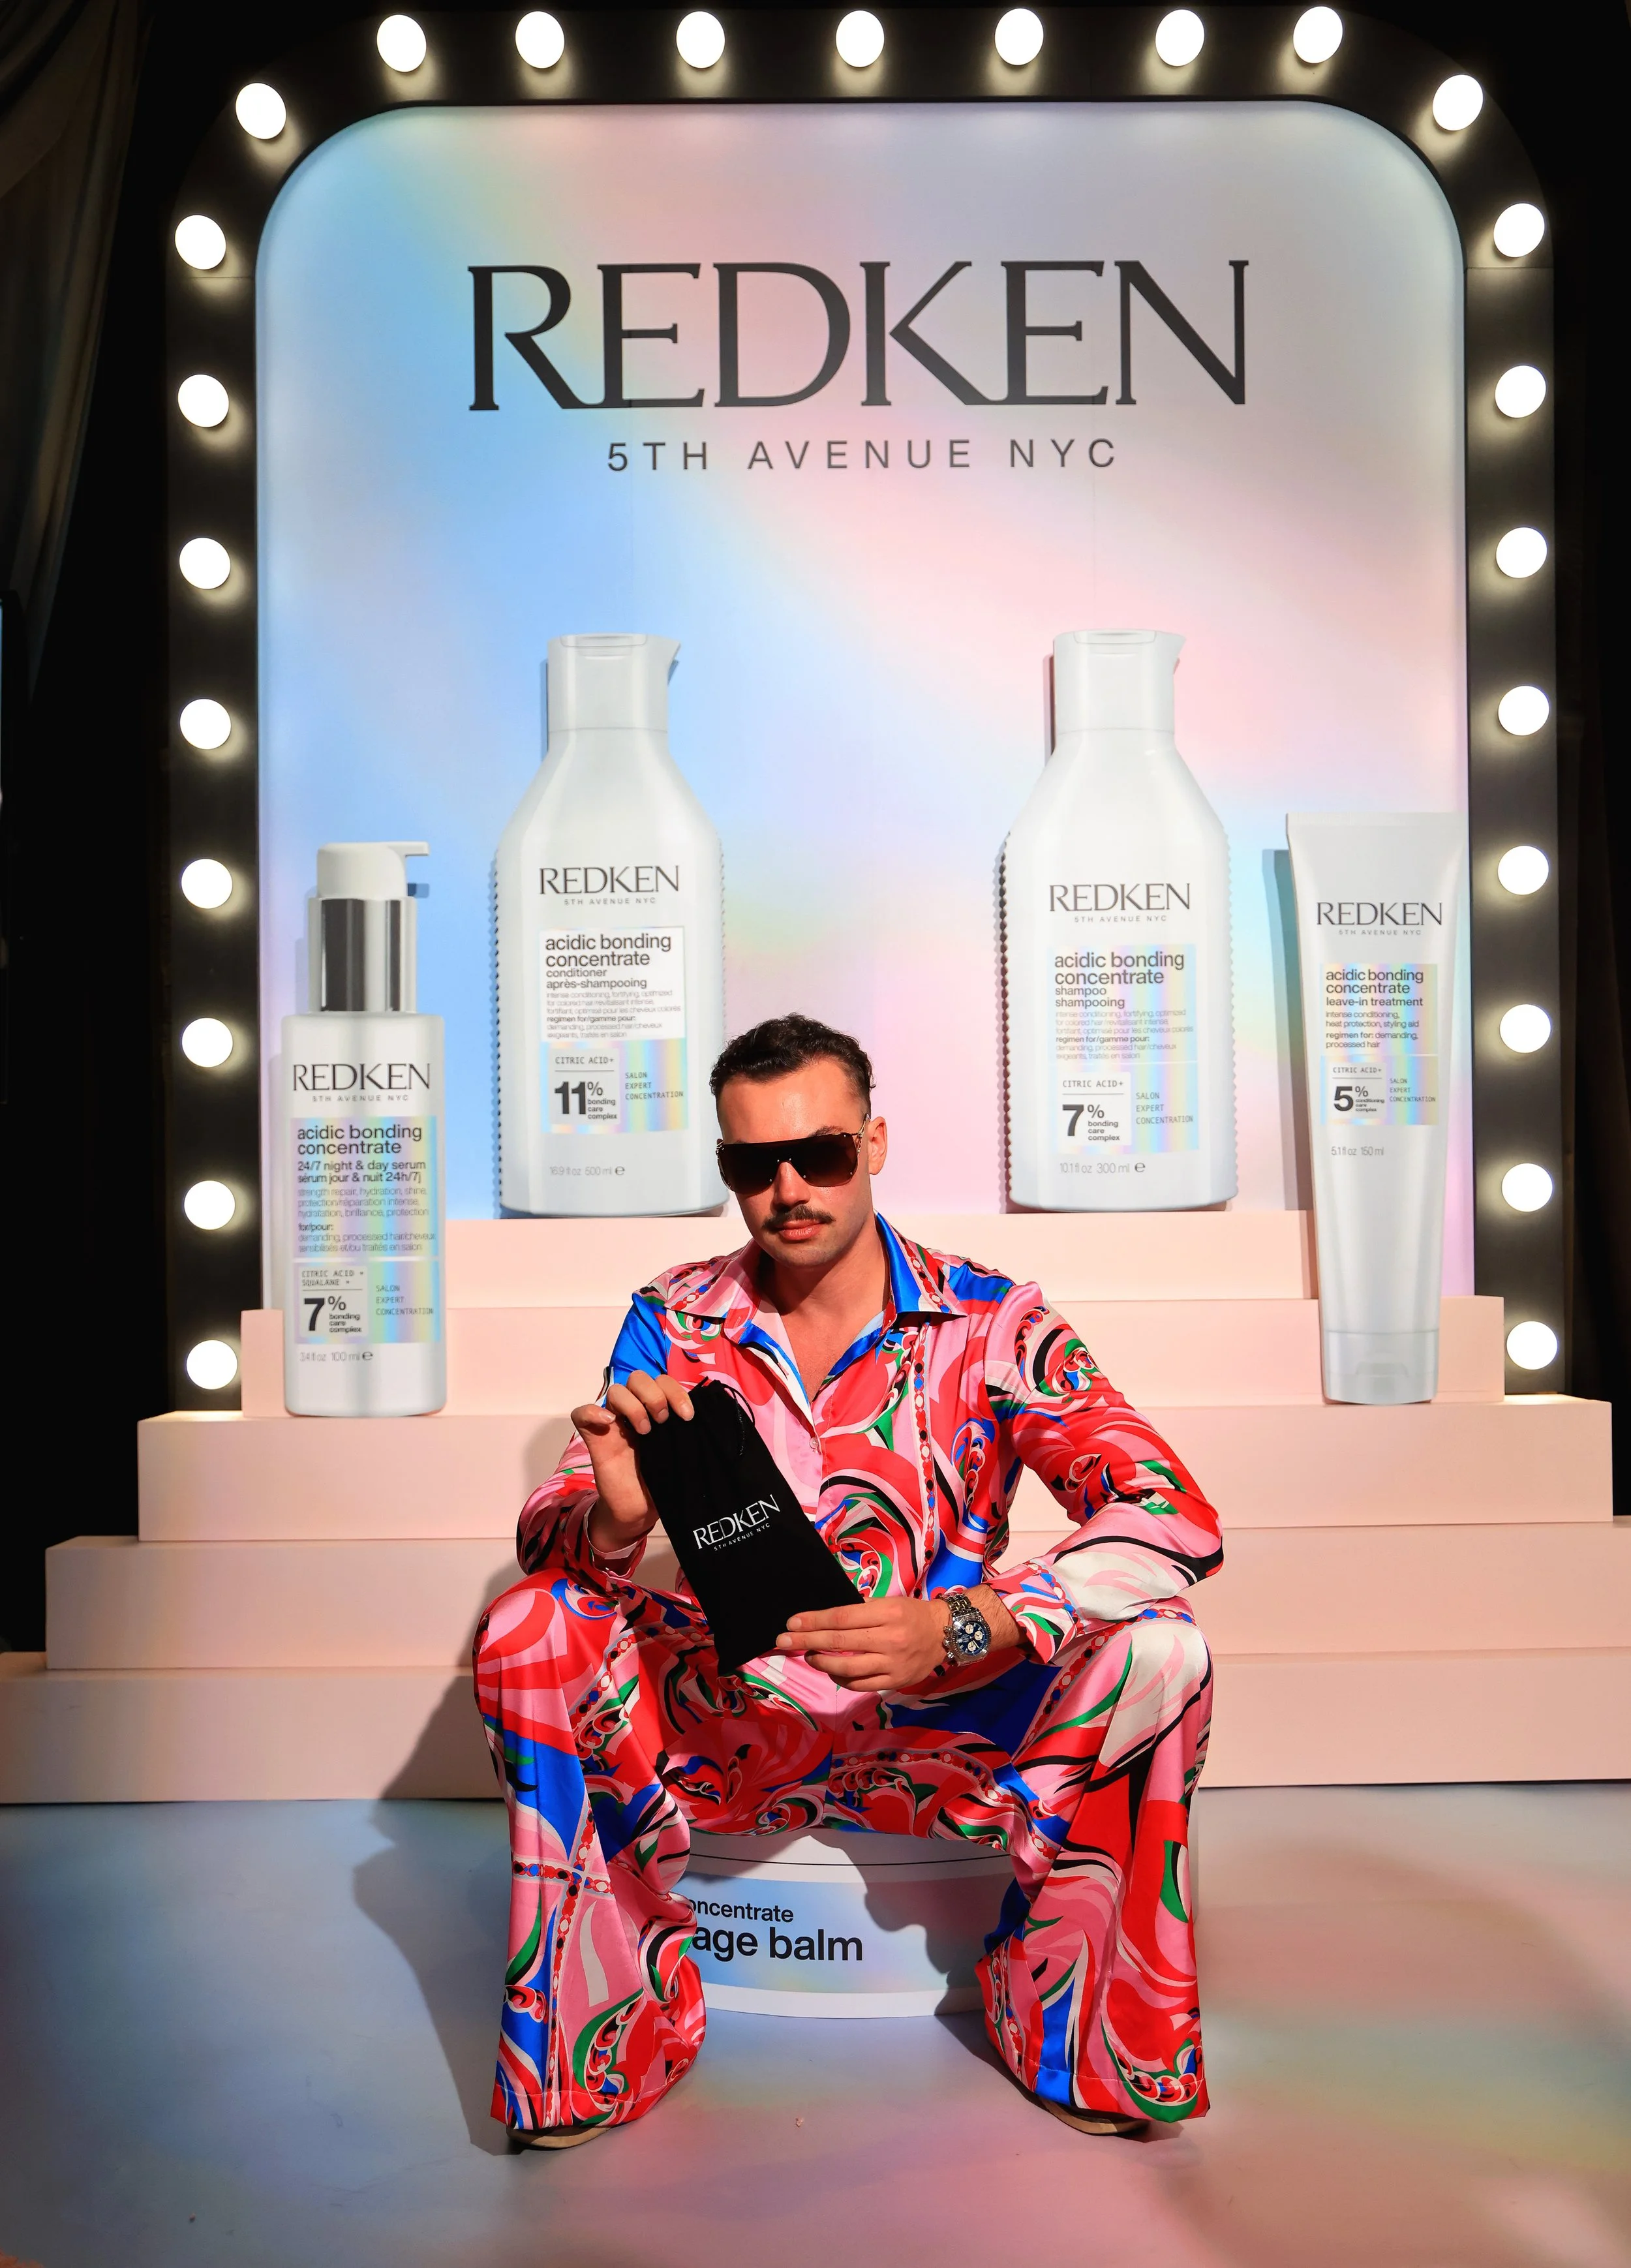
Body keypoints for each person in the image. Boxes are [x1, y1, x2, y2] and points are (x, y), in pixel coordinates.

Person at [473, 1015, 1220, 2149]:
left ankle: (1069, 2010)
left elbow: (1170, 1510)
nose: (787, 1190)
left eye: (818, 1154)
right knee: (534, 1620)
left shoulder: (993, 1320)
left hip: (949, 1731)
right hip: (728, 1723)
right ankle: (607, 2029)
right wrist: (614, 1517)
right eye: (750, 1166)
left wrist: (975, 1625)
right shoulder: (674, 1318)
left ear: (874, 1143)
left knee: (1163, 1645)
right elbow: (552, 1531)